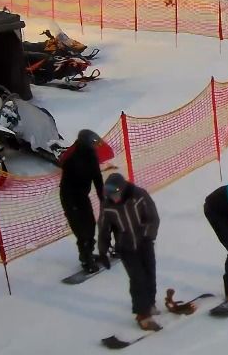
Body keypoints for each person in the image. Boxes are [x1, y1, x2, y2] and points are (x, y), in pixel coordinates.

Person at [97, 173, 161, 331]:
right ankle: (142, 314)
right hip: (125, 247)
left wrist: (146, 235)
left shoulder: (138, 196)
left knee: (149, 274)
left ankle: (150, 303)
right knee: (137, 278)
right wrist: (103, 251)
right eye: (111, 195)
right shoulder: (107, 205)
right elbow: (104, 229)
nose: (115, 198)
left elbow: (153, 217)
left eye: (116, 194)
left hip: (144, 243)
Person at [60, 129, 105, 272]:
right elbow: (66, 186)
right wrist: (71, 207)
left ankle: (88, 253)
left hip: (82, 197)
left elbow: (98, 180)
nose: (95, 146)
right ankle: (85, 258)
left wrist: (103, 199)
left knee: (90, 225)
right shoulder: (72, 160)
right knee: (81, 230)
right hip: (70, 198)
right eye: (93, 143)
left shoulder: (92, 157)